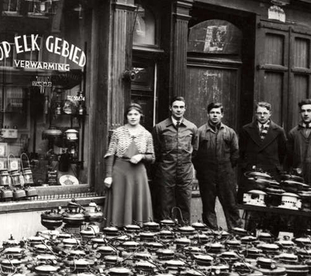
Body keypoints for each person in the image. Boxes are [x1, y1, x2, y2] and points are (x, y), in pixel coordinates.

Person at [103, 103, 155, 227]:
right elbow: (110, 154)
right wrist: (108, 175)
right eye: (130, 114)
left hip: (138, 174)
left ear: (140, 116)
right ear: (126, 116)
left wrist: (141, 156)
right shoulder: (118, 132)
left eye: (135, 114)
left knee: (137, 201)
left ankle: (137, 230)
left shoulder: (147, 134)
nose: (133, 117)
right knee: (119, 200)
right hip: (120, 171)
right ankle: (116, 229)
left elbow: (152, 157)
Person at [194, 102, 241, 230]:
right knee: (208, 206)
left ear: (222, 115)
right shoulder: (200, 132)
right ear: (208, 114)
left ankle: (235, 233)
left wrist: (226, 168)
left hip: (225, 175)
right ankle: (211, 234)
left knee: (231, 205)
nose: (215, 115)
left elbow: (235, 154)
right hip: (207, 176)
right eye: (212, 113)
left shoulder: (230, 132)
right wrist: (202, 170)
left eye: (217, 113)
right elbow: (195, 155)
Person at [152, 96, 198, 224]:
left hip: (185, 170)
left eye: (181, 107)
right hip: (166, 169)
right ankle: (166, 231)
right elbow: (156, 150)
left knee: (184, 200)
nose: (178, 110)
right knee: (165, 201)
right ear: (170, 108)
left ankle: (184, 230)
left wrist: (186, 163)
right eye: (176, 107)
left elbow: (195, 150)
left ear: (185, 109)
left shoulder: (192, 128)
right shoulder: (160, 127)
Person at [238, 102, 288, 194]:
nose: (262, 116)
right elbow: (242, 151)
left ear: (270, 114)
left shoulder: (278, 131)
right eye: (259, 113)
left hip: (271, 172)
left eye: (264, 113)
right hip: (252, 172)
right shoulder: (246, 130)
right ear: (255, 114)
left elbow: (283, 152)